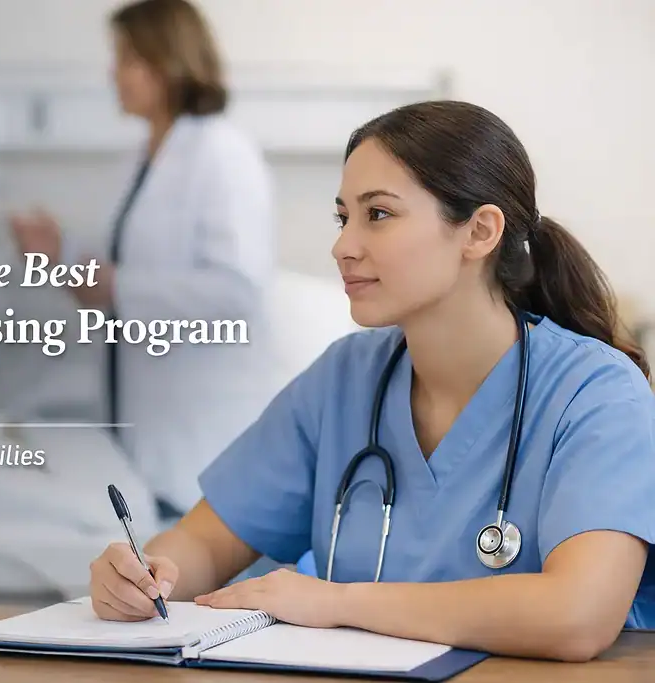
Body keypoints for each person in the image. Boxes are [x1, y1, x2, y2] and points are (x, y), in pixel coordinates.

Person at [87, 100, 655, 663]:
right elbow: (205, 543)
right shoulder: (344, 379)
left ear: (479, 232)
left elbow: (578, 615)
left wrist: (338, 602)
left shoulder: (596, 394)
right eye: (343, 218)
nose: (343, 246)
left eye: (377, 214)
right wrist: (146, 575)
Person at [10, 0, 277, 522]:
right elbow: (117, 277)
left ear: (170, 62)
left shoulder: (223, 155)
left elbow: (237, 293)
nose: (114, 72)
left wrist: (117, 287)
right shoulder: (138, 161)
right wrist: (59, 255)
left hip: (198, 437)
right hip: (136, 432)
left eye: (128, 58)